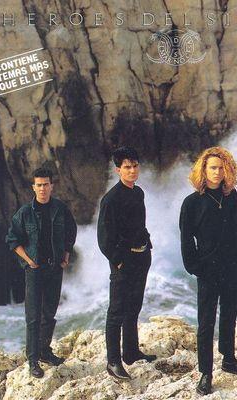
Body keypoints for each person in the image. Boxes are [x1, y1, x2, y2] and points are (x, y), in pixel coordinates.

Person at [179, 146, 237, 396]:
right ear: (203, 170)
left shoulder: (231, 195)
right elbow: (186, 239)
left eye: (221, 168)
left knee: (230, 313)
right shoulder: (191, 203)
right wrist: (195, 267)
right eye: (212, 168)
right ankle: (205, 372)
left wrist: (236, 252)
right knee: (206, 321)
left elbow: (235, 224)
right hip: (208, 268)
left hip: (232, 263)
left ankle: (228, 359)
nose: (217, 172)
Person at [6, 167, 77, 378]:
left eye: (46, 184)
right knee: (33, 316)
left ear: (51, 186)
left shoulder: (60, 209)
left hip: (54, 268)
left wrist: (66, 254)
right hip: (34, 270)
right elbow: (12, 240)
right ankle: (33, 360)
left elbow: (71, 231)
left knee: (49, 313)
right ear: (33, 187)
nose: (43, 188)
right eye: (39, 185)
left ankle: (45, 351)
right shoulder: (25, 213)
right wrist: (29, 261)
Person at [97, 146, 157, 381]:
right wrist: (118, 261)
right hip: (124, 260)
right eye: (127, 167)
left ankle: (131, 352)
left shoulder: (138, 192)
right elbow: (104, 238)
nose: (132, 170)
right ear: (118, 170)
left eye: (135, 166)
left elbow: (138, 225)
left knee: (134, 306)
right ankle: (113, 361)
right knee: (117, 311)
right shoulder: (111, 199)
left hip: (142, 256)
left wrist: (147, 244)